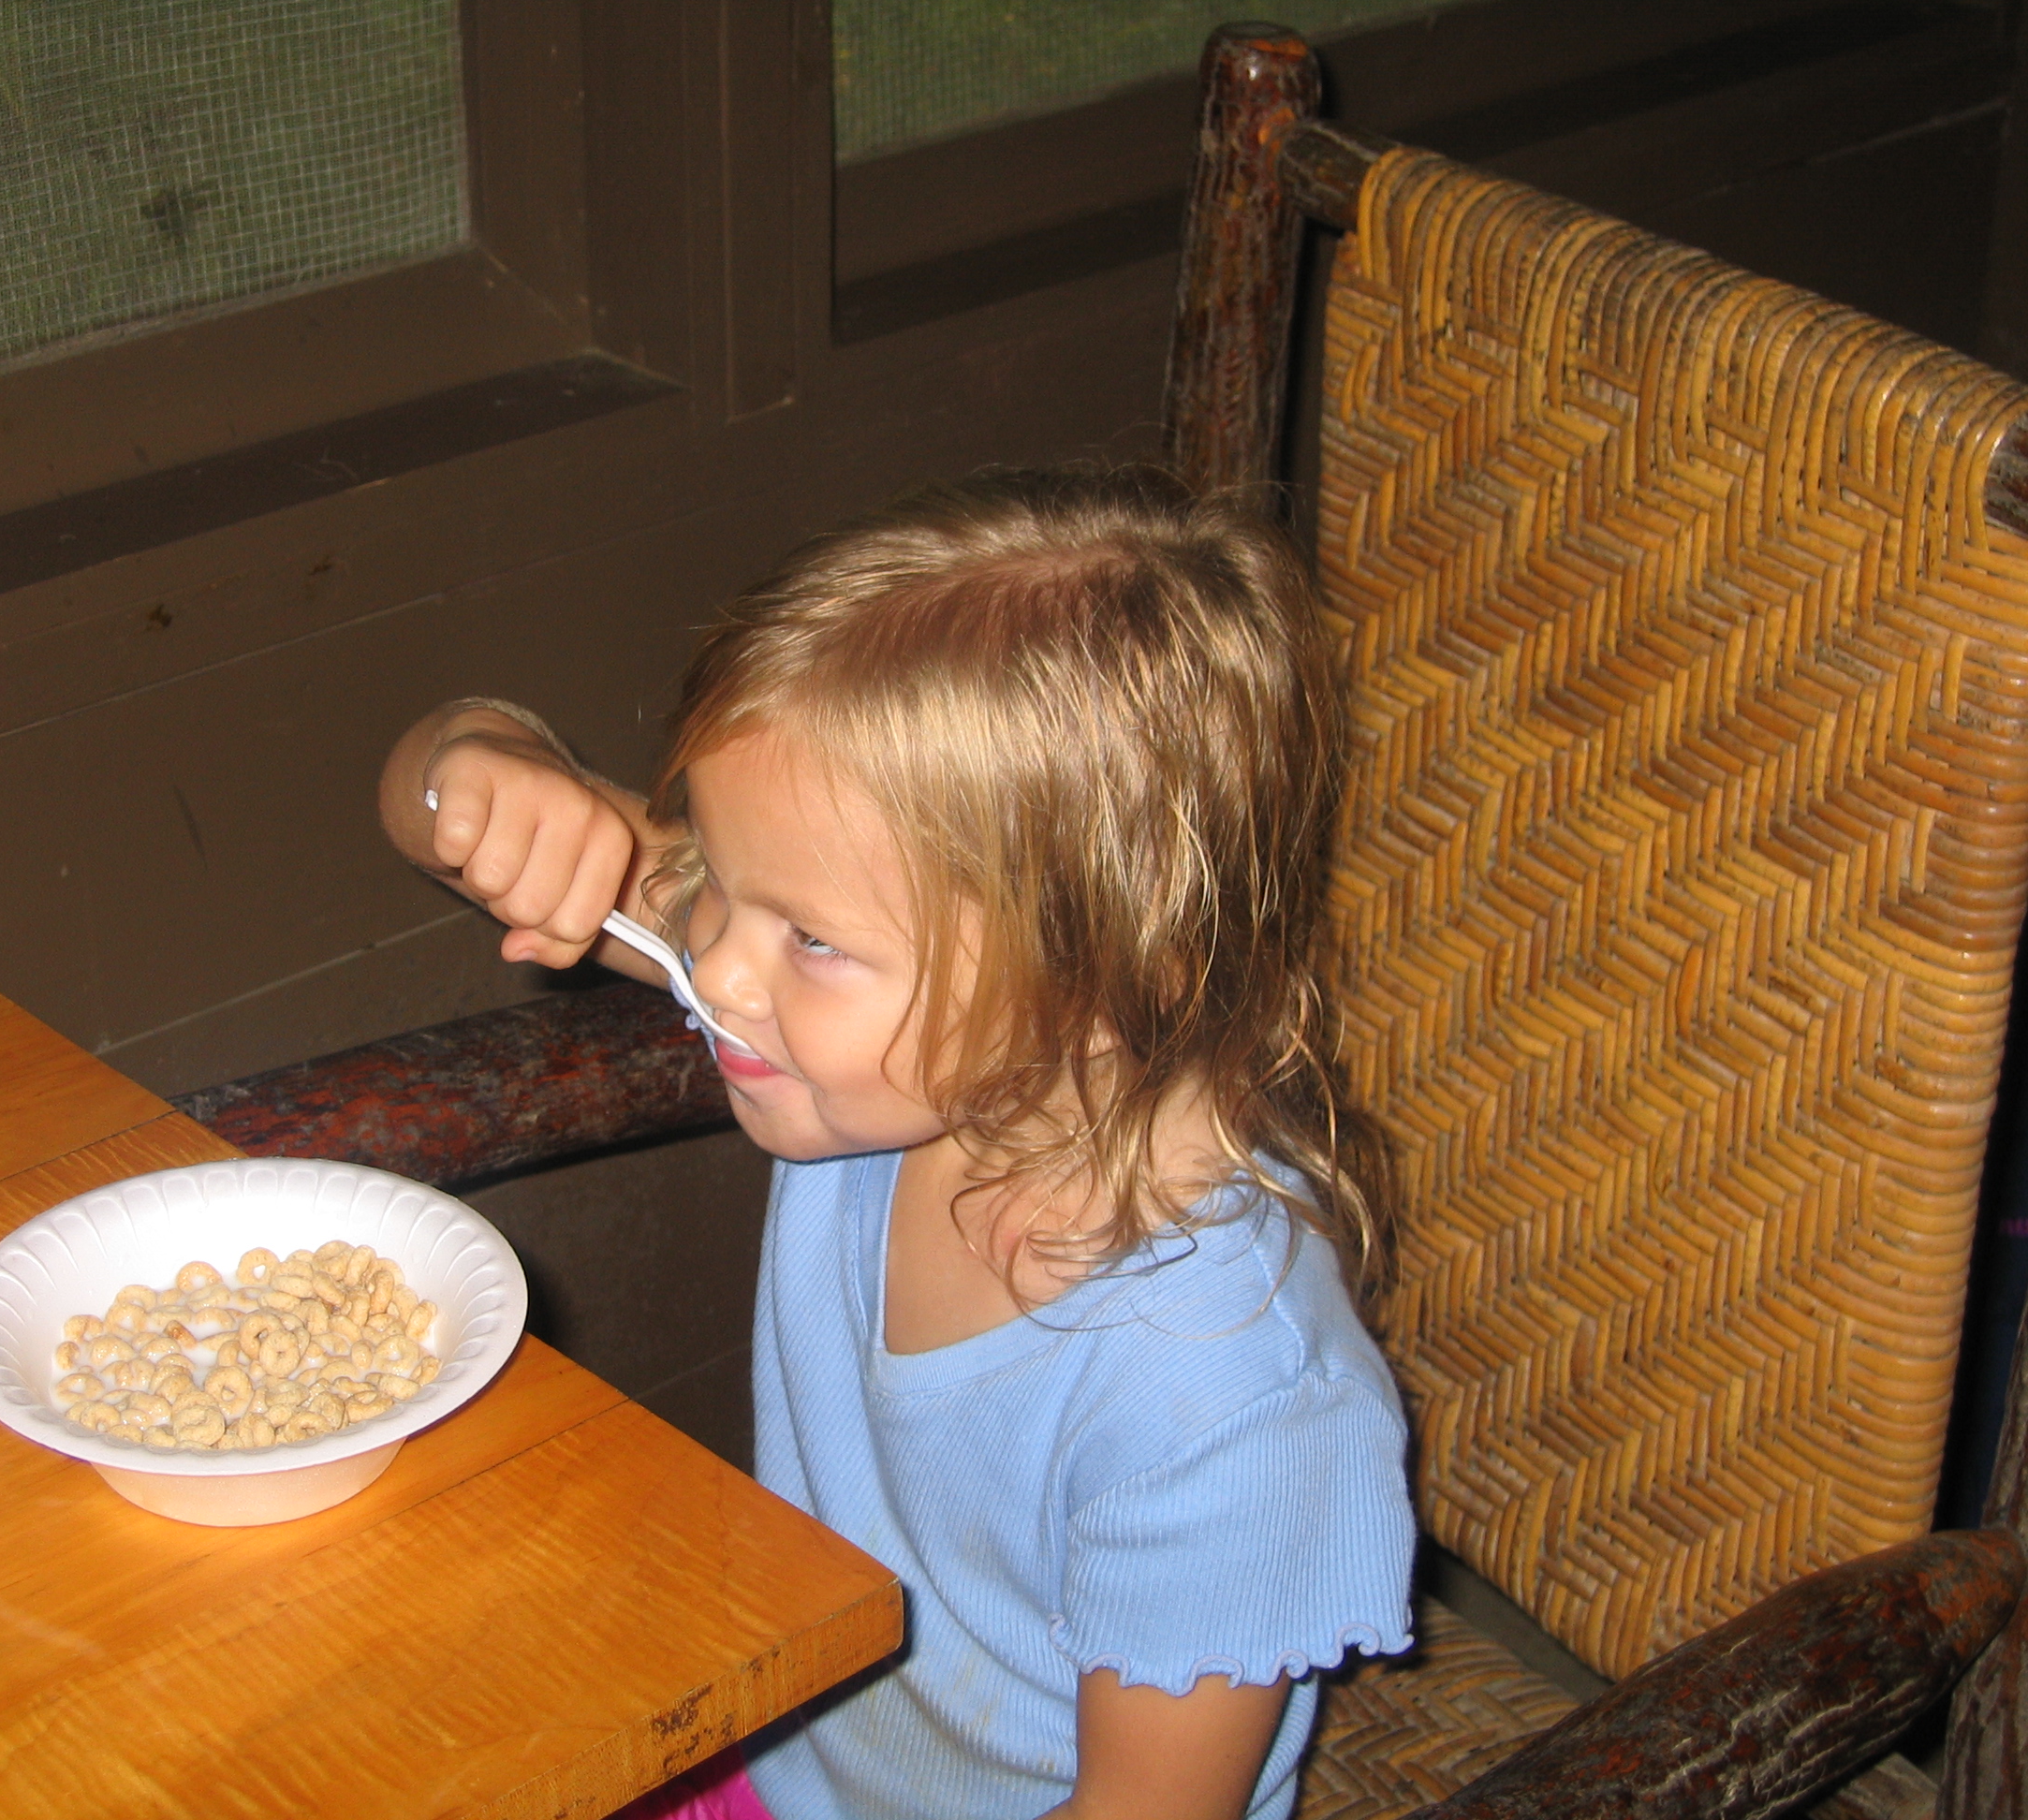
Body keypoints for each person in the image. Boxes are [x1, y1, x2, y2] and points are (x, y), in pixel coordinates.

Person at [377, 464, 1415, 1820]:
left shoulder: (1227, 1407)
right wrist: (483, 763)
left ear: (1098, 975)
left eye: (810, 939)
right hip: (761, 1749)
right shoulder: (898, 1052)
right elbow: (436, 814)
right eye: (718, 884)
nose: (714, 966)